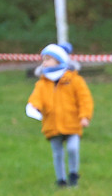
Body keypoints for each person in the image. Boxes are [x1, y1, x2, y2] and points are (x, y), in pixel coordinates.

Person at [26, 43, 94, 188]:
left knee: (73, 148)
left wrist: (84, 116)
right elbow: (36, 98)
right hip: (52, 124)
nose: (44, 62)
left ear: (59, 60)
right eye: (44, 59)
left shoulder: (75, 80)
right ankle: (61, 180)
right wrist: (34, 107)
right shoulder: (42, 83)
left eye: (48, 58)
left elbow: (84, 99)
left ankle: (74, 174)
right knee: (57, 153)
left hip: (72, 123)